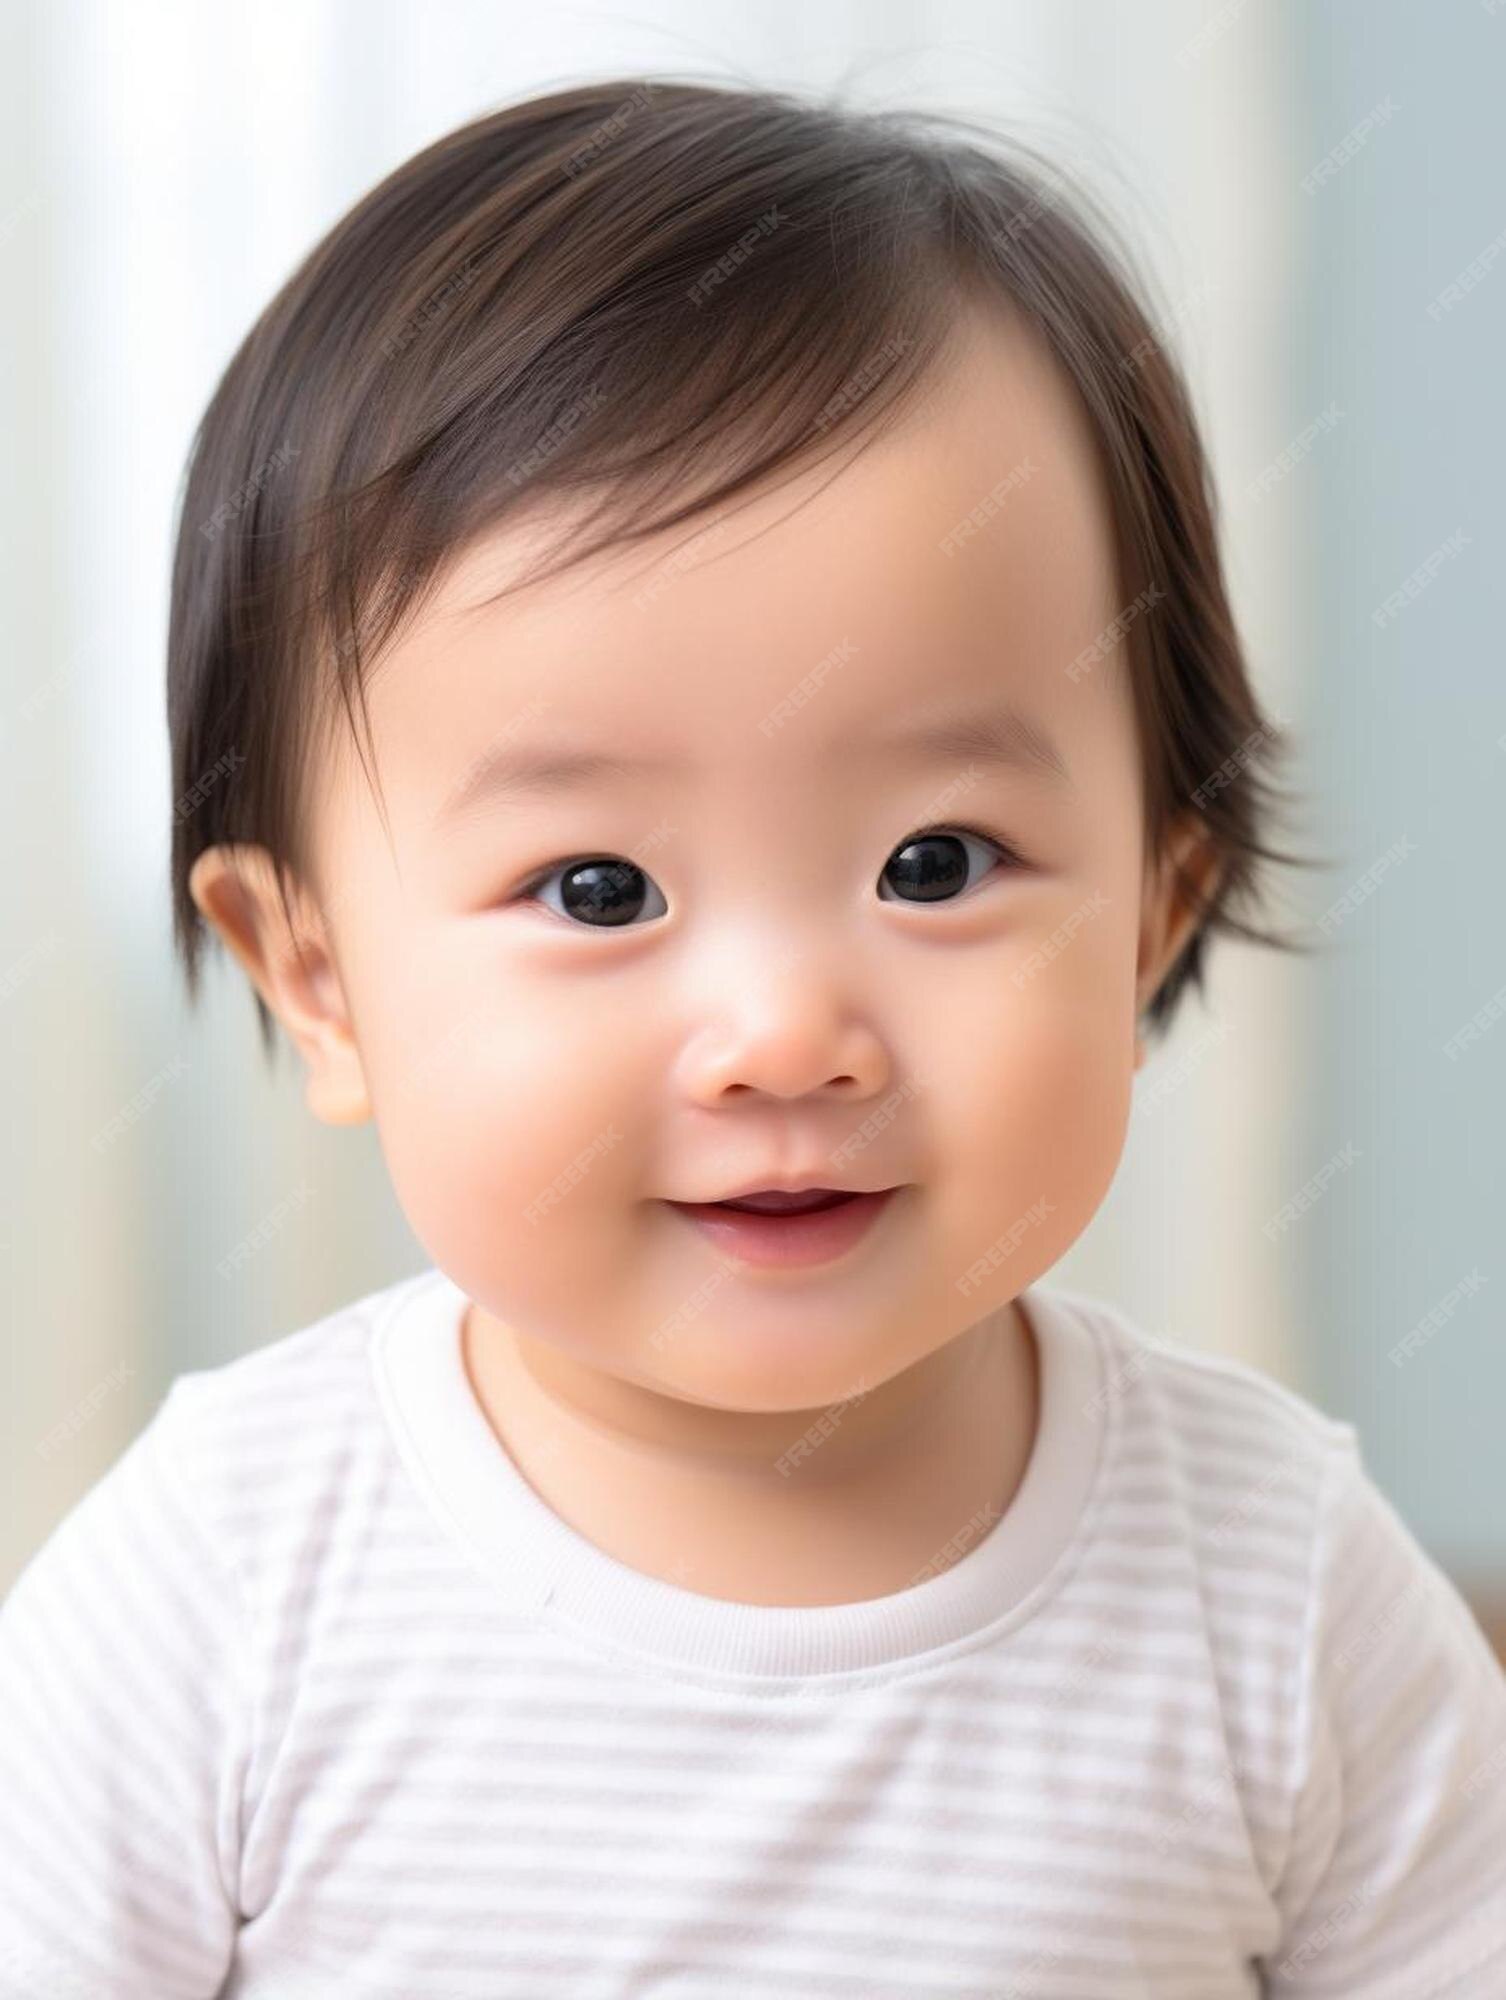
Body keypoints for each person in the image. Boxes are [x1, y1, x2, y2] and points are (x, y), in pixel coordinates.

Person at [3, 76, 1503, 1999]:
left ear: (1153, 912)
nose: (784, 1035)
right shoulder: (225, 1585)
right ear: (317, 978)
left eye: (934, 860)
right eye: (599, 890)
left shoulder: (1277, 1590)